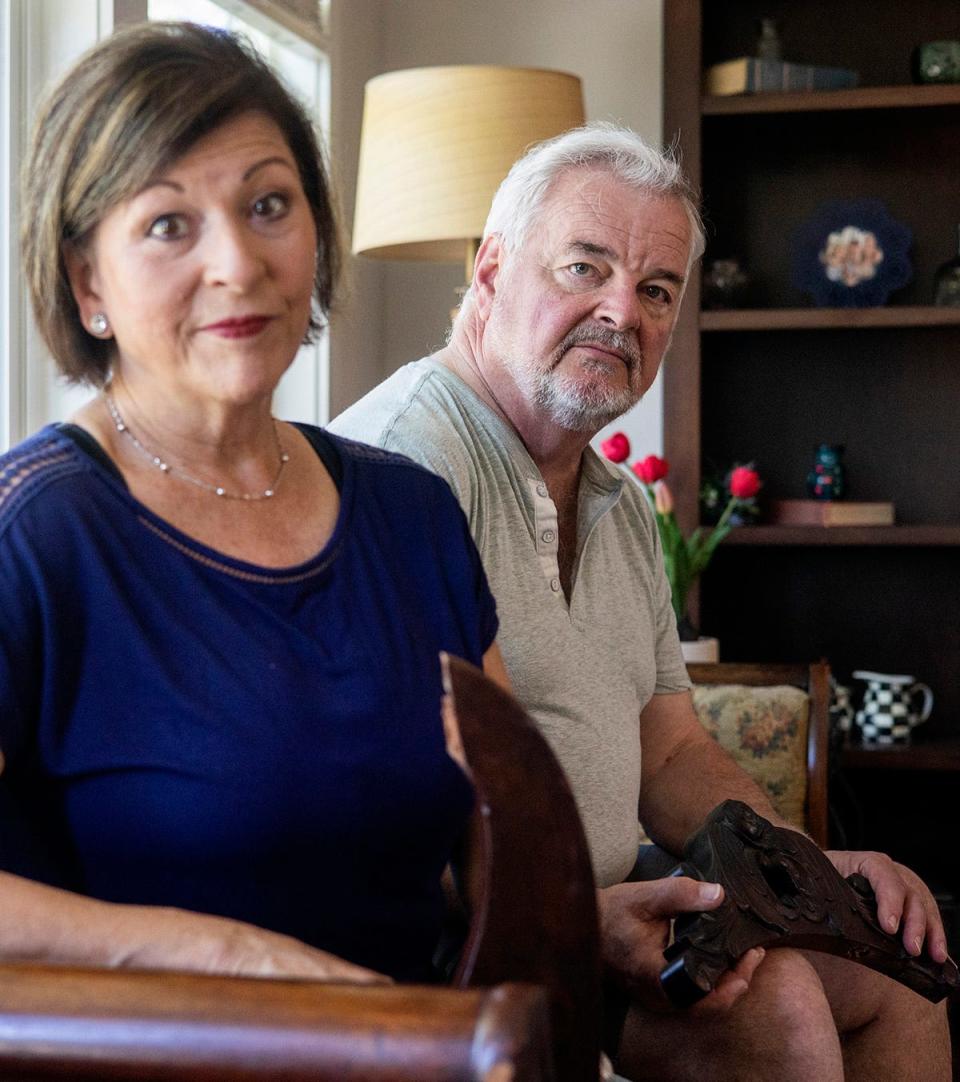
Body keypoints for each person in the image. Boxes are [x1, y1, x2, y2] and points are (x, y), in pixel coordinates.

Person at [330, 123, 952, 1079]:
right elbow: (377, 801)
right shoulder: (406, 469)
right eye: (585, 268)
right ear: (492, 269)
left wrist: (814, 878)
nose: (622, 312)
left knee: (898, 970)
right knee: (776, 997)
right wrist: (572, 918)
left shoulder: (617, 504)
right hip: (464, 946)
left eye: (656, 290)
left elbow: (672, 750)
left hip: (619, 913)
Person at [0, 21, 509, 987]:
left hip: (420, 1050)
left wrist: (593, 919)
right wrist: (227, 956)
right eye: (167, 224)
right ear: (85, 282)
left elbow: (495, 847)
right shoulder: (32, 532)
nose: (237, 263)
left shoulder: (416, 515)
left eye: (269, 204)